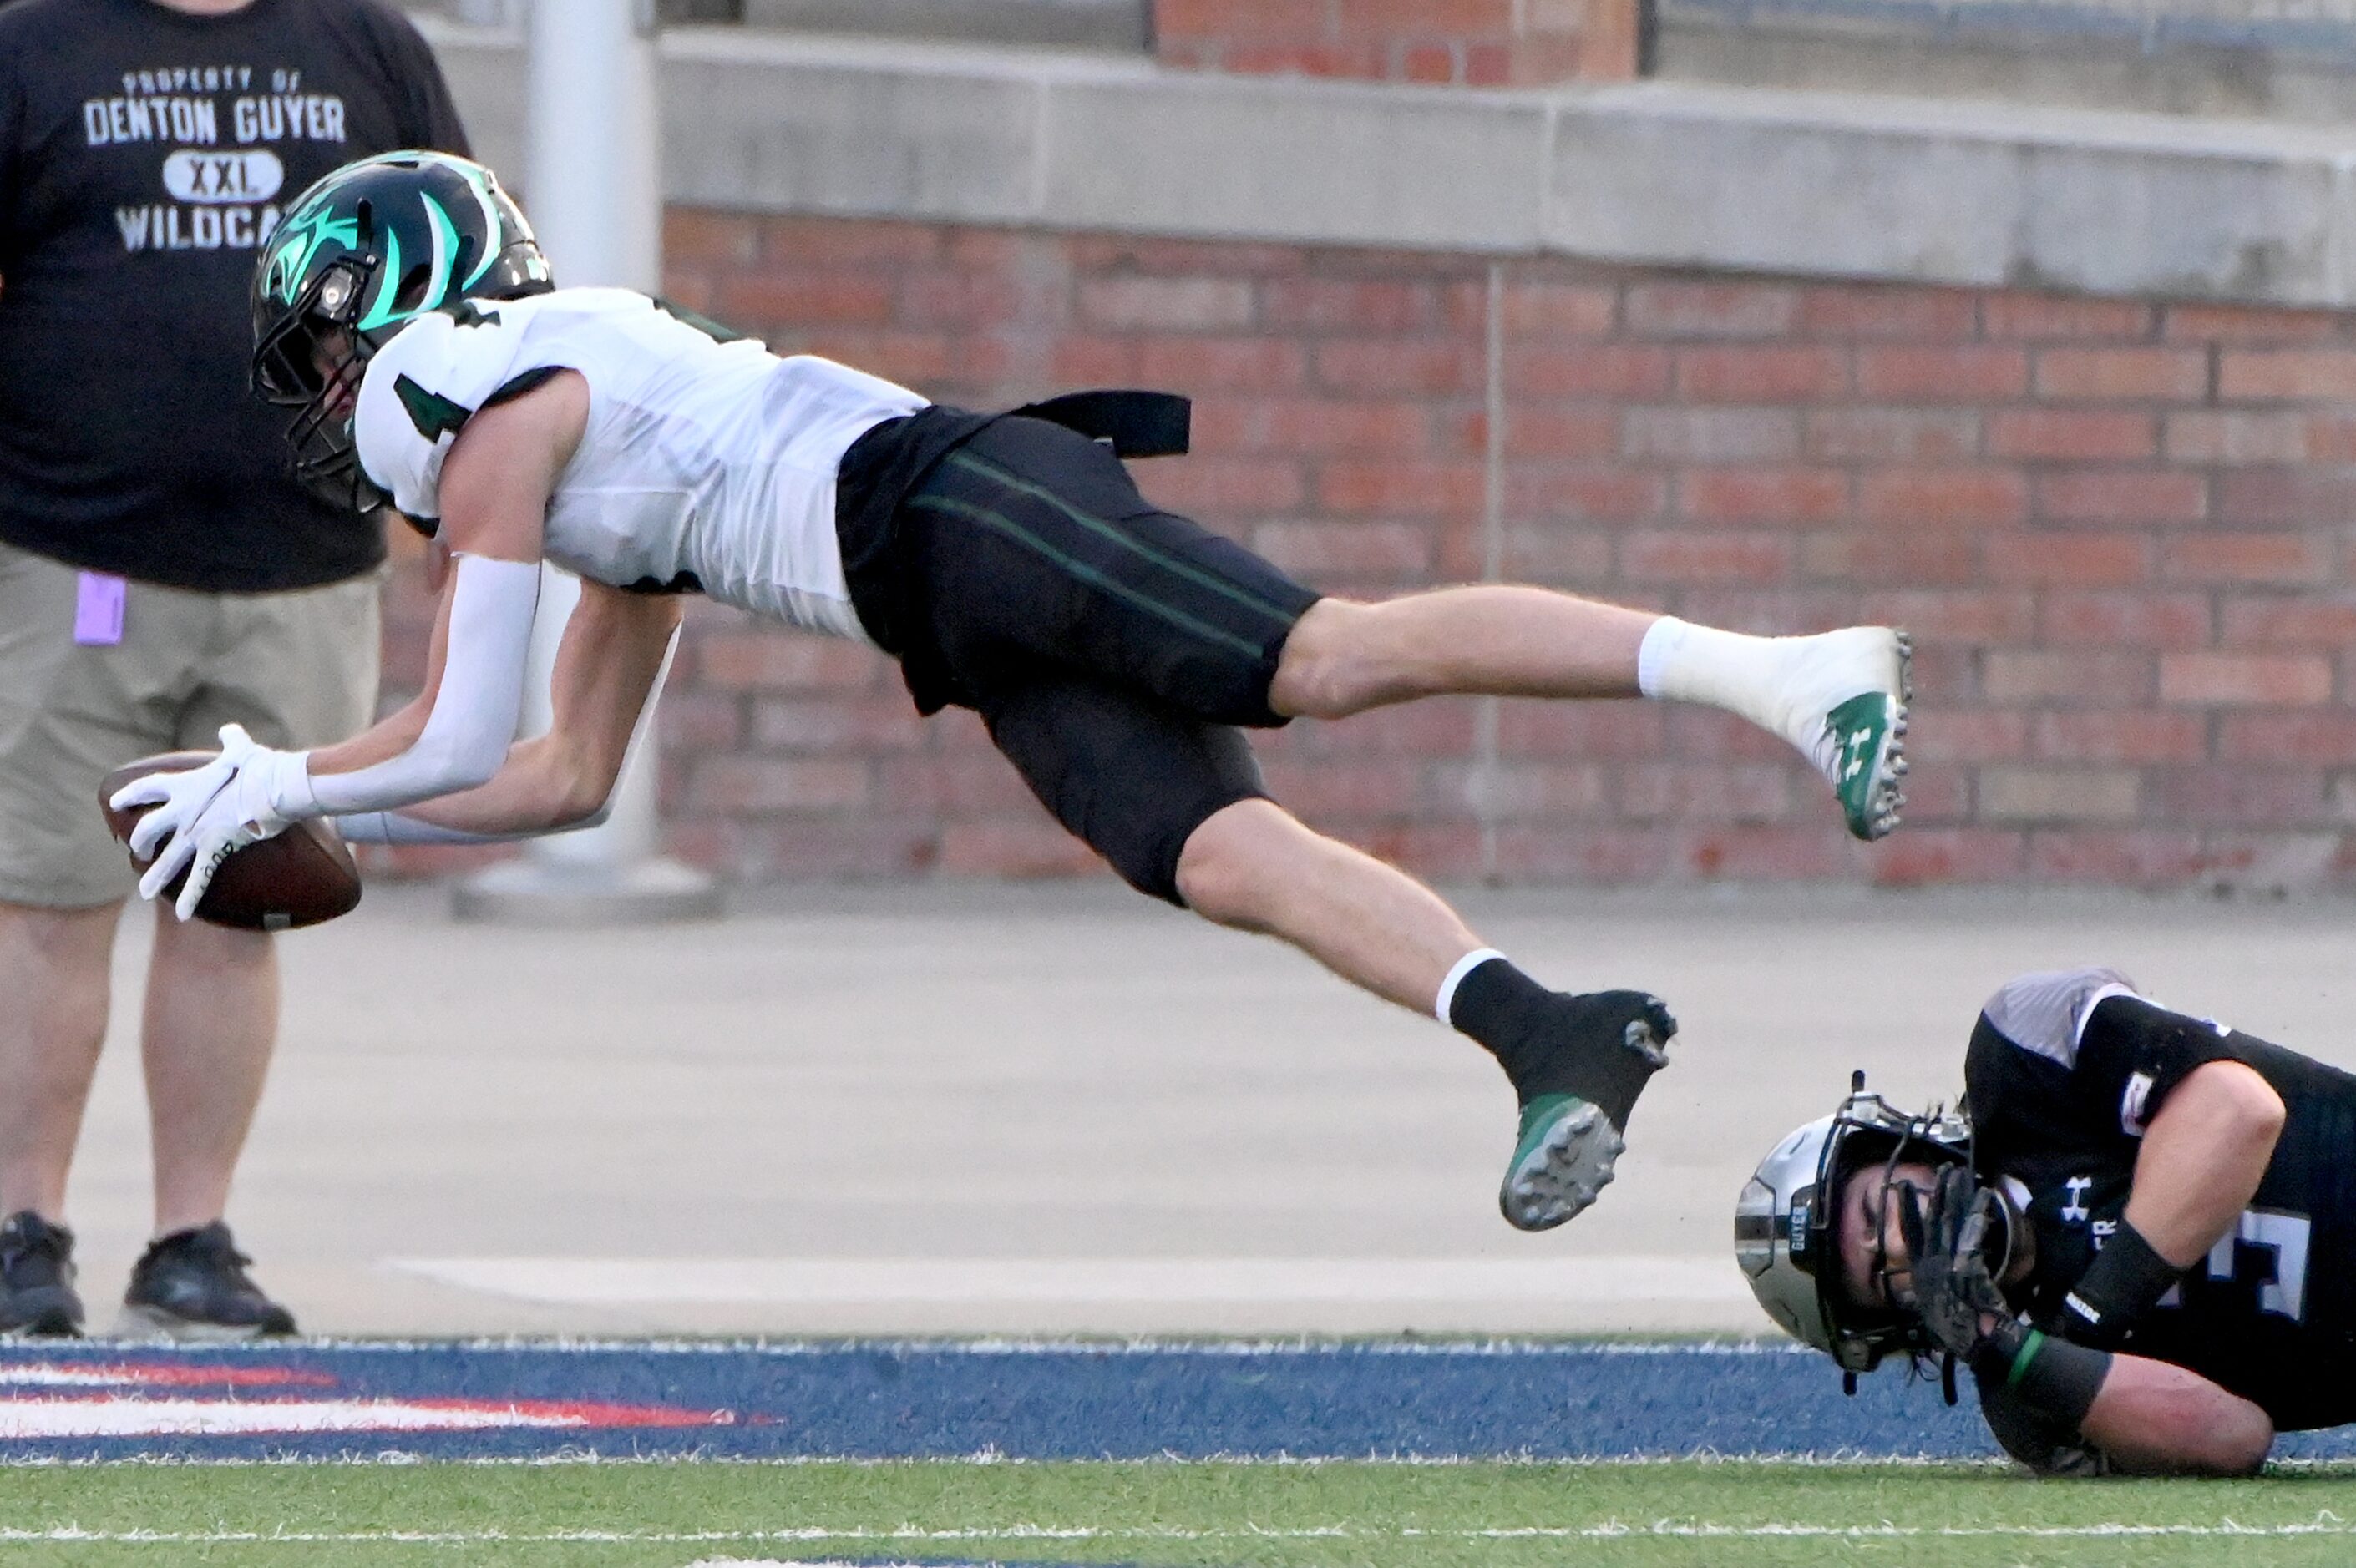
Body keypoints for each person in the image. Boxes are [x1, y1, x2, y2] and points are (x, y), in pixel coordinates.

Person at [124, 149, 1912, 1236]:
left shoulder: (493, 398)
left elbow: (444, 738)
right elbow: (554, 778)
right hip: (948, 607)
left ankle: (1783, 676)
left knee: (1322, 658)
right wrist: (320, 790)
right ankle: (1546, 1033)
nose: (344, 396)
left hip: (967, 500)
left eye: (341, 346)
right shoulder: (599, 474)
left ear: (411, 312)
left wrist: (298, 779)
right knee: (1212, 854)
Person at [0, 0, 468, 1338]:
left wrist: (452, 503)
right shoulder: (35, 48)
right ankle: (21, 1231)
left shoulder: (369, 51)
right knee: (43, 901)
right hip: (69, 561)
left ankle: (190, 1240)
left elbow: (454, 292)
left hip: (304, 564)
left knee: (238, 909)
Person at [1738, 967, 2355, 1475]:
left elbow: (2237, 1110)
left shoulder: (2019, 1056)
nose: (1903, 1241)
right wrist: (2012, 1353)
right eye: (1883, 1275)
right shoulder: (2024, 1400)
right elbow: (2234, 1438)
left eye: (1885, 1205)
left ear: (1906, 1148)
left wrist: (2086, 1321)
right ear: (1897, 1324)